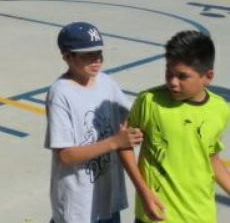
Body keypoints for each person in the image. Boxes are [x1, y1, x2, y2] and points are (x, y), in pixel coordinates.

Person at [120, 30, 230, 223]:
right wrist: (144, 192)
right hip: (157, 215)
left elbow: (211, 158)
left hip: (201, 216)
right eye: (169, 73)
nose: (172, 82)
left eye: (182, 76)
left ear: (208, 76)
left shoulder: (220, 109)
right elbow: (124, 145)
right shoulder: (149, 102)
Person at [45, 22, 142, 223]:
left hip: (107, 202)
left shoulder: (106, 82)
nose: (97, 59)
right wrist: (114, 142)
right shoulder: (61, 93)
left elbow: (131, 116)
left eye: (98, 52)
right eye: (87, 54)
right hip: (78, 208)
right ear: (67, 56)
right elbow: (66, 155)